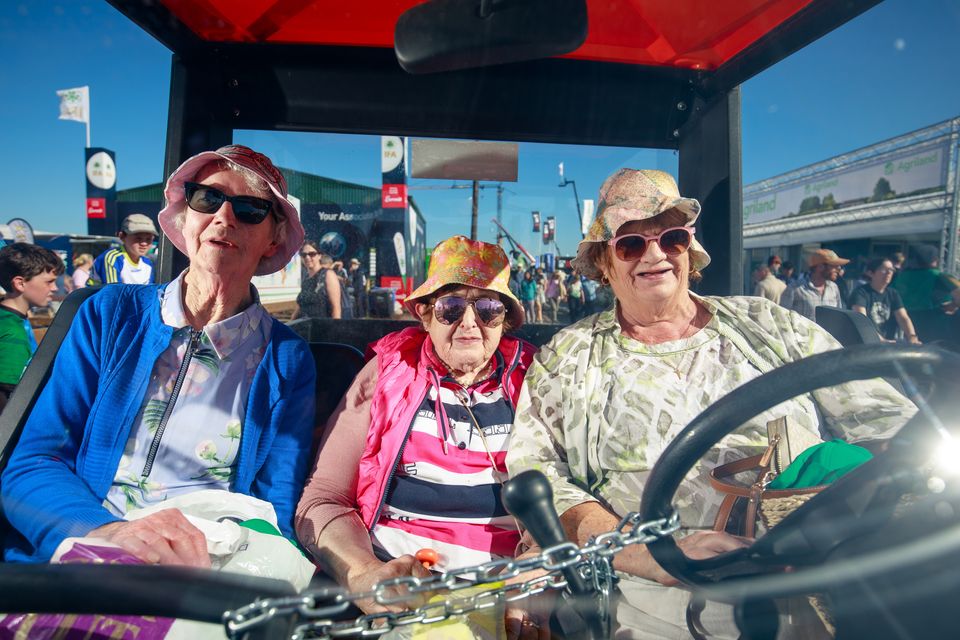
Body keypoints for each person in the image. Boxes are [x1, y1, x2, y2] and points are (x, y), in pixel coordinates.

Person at [506, 169, 915, 639]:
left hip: (816, 583)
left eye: (672, 238)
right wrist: (650, 555)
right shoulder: (570, 357)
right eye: (631, 244)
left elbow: (889, 426)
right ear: (604, 261)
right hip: (660, 606)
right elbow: (536, 475)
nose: (655, 255)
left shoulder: (768, 324)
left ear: (688, 250)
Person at [1, 144, 316, 566]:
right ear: (185, 217)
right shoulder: (110, 314)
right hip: (91, 544)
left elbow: (275, 499)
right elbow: (32, 462)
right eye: (207, 199)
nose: (224, 217)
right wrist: (106, 532)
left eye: (250, 209)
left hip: (208, 559)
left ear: (273, 236)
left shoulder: (287, 358)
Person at [295, 235, 542, 636]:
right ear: (425, 315)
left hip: (507, 588)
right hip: (396, 582)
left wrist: (534, 579)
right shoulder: (385, 374)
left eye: (488, 308)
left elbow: (569, 495)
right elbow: (323, 497)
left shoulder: (535, 379)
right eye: (450, 307)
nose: (468, 322)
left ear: (505, 320)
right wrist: (365, 576)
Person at [0, 243, 63, 411]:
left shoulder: (8, 319)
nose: (55, 288)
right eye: (49, 282)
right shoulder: (12, 332)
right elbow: (6, 396)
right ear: (20, 283)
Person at [891, 244, 960, 344]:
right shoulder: (939, 276)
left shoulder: (901, 276)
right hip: (935, 321)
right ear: (935, 260)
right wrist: (952, 305)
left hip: (907, 323)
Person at [849, 257, 920, 344]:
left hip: (888, 343)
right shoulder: (860, 293)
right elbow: (862, 320)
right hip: (865, 343)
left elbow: (903, 317)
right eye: (884, 269)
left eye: (891, 269)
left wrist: (912, 337)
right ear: (870, 273)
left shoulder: (893, 293)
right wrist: (880, 339)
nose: (889, 273)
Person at [780, 248, 848, 320]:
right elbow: (782, 318)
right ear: (820, 267)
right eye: (835, 266)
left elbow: (838, 317)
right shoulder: (794, 289)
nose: (839, 269)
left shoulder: (834, 288)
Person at [90, 214, 158, 285]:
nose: (144, 243)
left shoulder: (148, 263)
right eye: (138, 238)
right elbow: (113, 293)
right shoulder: (112, 258)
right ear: (122, 236)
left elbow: (149, 292)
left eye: (148, 239)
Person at [293, 245, 347, 320]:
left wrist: (335, 329)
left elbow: (336, 308)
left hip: (322, 327)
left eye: (312, 254)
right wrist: (290, 323)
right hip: (306, 327)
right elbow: (301, 305)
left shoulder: (327, 275)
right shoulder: (306, 278)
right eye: (304, 255)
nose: (307, 257)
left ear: (319, 256)